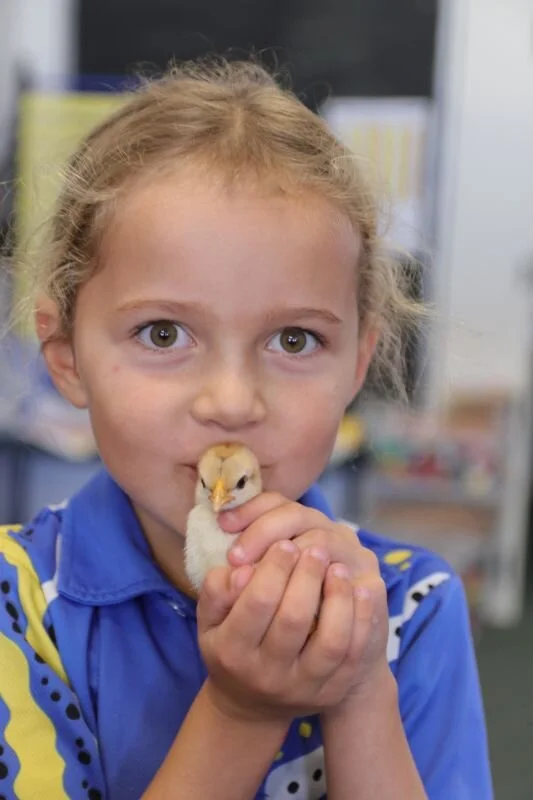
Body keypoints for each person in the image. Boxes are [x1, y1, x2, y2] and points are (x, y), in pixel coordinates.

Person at [0, 60, 492, 800]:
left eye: (293, 340)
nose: (231, 402)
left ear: (357, 363)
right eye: (163, 333)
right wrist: (241, 712)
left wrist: (358, 689)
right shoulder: (19, 602)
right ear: (65, 357)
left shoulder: (413, 605)